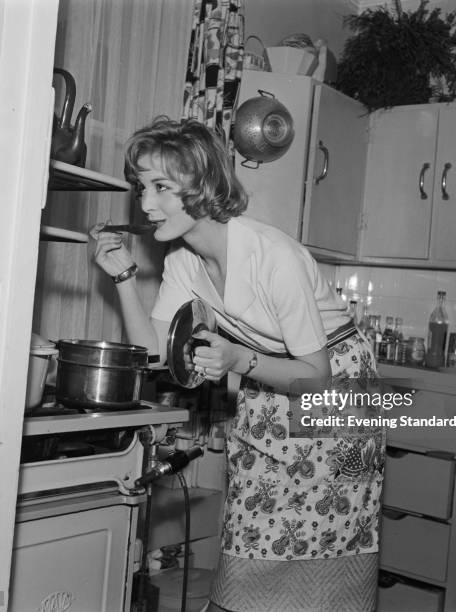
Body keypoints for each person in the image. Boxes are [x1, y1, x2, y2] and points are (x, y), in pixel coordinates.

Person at [91, 117, 385, 612]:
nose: (143, 203)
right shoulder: (185, 261)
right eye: (140, 187)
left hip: (335, 382)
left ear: (202, 184)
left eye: (160, 186)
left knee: (325, 528)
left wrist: (239, 358)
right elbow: (157, 354)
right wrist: (122, 277)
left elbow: (316, 373)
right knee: (253, 521)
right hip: (265, 375)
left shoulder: (273, 256)